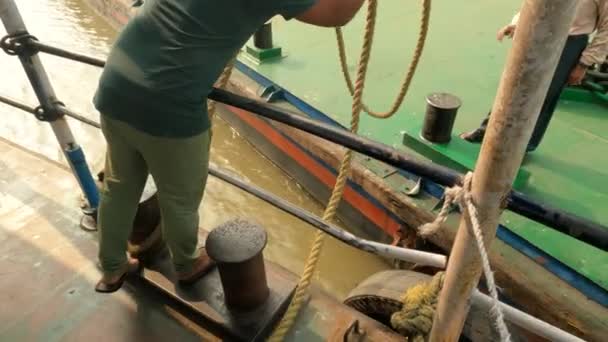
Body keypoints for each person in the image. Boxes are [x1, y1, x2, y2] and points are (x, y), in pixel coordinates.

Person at [92, 0, 365, 292]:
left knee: (119, 187)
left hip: (116, 85)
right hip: (169, 104)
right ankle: (186, 265)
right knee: (180, 199)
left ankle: (111, 269)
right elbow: (338, 13)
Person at [460, 0, 608, 152]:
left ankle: (525, 145)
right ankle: (485, 131)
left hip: (570, 43)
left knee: (545, 96)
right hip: (539, 30)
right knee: (513, 85)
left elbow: (606, 28)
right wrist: (517, 23)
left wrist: (584, 64)